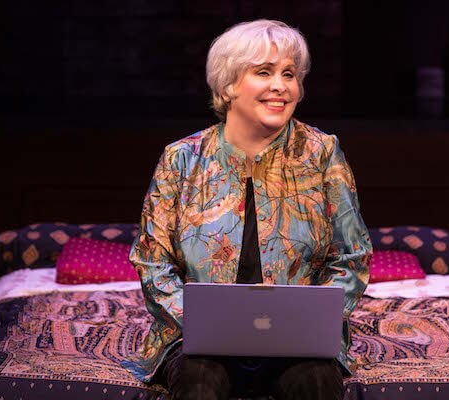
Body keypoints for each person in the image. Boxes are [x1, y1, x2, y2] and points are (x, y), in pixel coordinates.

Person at [126, 19, 372, 400]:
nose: (281, 86)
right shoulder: (181, 159)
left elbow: (352, 256)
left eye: (289, 74)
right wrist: (199, 321)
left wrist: (310, 322)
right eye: (264, 72)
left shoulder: (322, 154)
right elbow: (152, 260)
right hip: (199, 341)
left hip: (298, 340)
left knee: (316, 381)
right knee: (198, 380)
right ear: (228, 86)